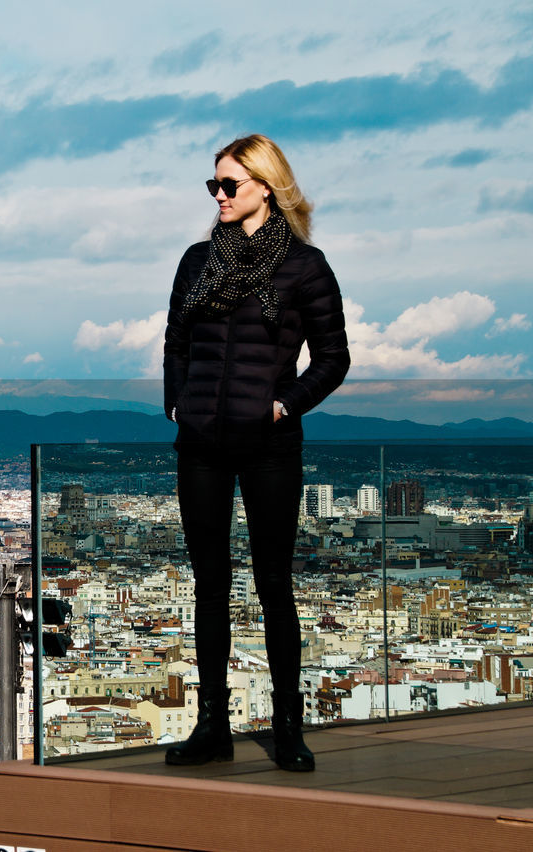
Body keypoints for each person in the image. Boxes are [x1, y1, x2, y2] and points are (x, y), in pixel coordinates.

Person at [161, 134, 349, 772]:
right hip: (201, 445)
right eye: (212, 185)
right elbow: (175, 341)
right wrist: (177, 403)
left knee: (274, 584)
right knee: (210, 585)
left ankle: (287, 727)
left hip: (270, 443)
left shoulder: (303, 267)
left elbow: (333, 358)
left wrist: (282, 405)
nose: (218, 195)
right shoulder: (196, 261)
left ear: (265, 187)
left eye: (229, 184)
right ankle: (211, 725)